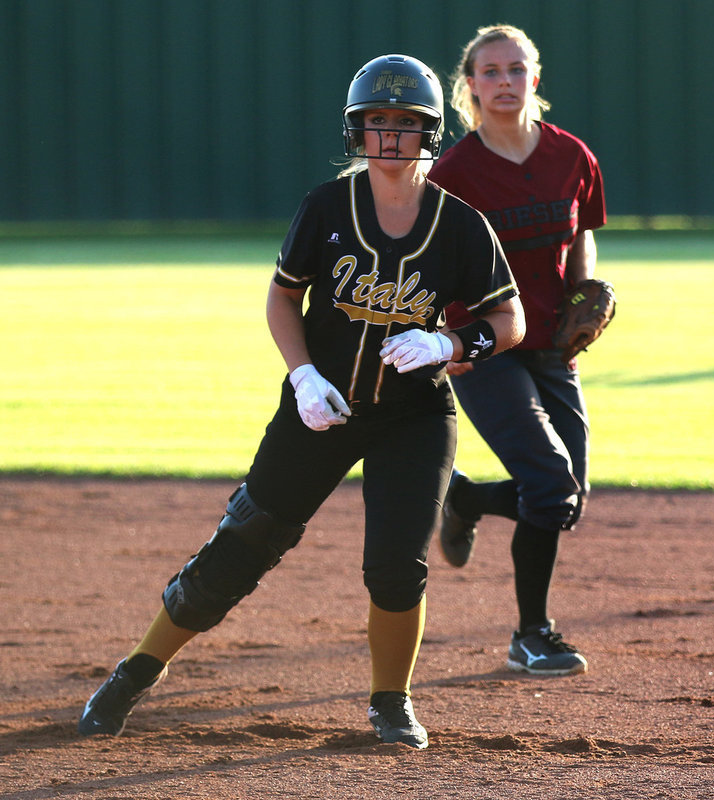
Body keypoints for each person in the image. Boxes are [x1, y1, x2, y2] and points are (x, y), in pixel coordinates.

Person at [76, 53, 524, 750]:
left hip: (414, 415)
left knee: (396, 565)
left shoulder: (461, 225)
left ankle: (391, 703)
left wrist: (450, 345)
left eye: (405, 123)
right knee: (242, 545)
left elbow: (509, 319)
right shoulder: (326, 206)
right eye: (376, 121)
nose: (389, 136)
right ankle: (133, 674)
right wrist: (301, 375)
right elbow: (283, 296)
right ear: (356, 129)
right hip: (321, 406)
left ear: (429, 132)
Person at [427, 25, 607, 676]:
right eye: (489, 71)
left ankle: (467, 500)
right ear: (469, 85)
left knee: (565, 496)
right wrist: (450, 341)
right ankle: (532, 633)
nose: (503, 82)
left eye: (514, 69)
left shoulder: (570, 156)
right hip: (483, 345)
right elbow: (431, 267)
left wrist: (583, 295)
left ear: (535, 77)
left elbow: (581, 234)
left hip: (552, 343)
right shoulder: (453, 173)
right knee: (546, 481)